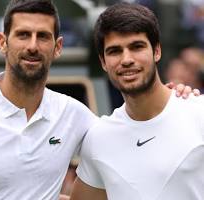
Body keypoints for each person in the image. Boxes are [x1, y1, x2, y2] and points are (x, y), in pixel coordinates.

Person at [0, 0, 198, 199]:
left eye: (43, 36)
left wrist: (177, 99)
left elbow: (137, 128)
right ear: (2, 42)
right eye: (23, 34)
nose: (32, 45)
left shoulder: (76, 116)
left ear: (58, 46)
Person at [70, 2, 204, 200]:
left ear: (156, 51)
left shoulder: (198, 112)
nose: (126, 59)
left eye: (136, 47)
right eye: (115, 51)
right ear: (103, 62)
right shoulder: (98, 138)